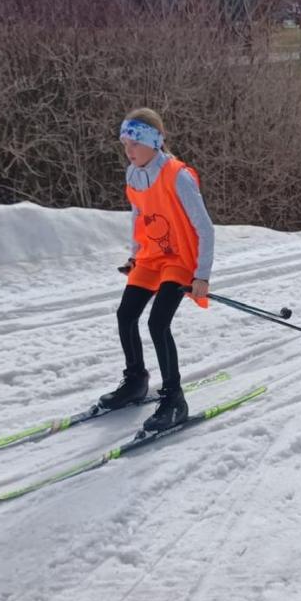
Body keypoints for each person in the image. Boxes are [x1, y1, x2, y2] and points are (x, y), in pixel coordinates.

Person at [98, 108, 215, 432]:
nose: (128, 150)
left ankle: (174, 399)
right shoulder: (133, 174)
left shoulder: (178, 175)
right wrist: (135, 255)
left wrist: (201, 276)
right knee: (126, 315)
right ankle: (135, 381)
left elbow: (205, 229)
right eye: (124, 144)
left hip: (179, 259)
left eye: (133, 143)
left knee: (157, 323)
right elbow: (139, 218)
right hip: (151, 257)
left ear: (152, 143)